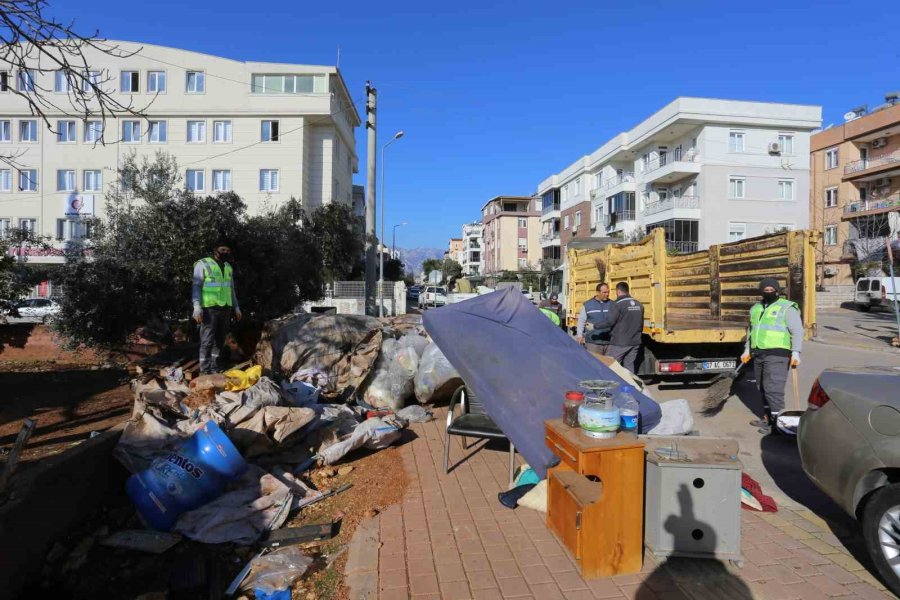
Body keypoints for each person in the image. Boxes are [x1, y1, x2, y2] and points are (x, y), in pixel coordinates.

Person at [741, 277, 802, 434]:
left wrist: (796, 351)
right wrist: (747, 349)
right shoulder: (756, 308)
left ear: (778, 291)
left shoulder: (787, 308)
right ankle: (767, 418)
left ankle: (777, 426)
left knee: (773, 390)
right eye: (765, 290)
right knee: (761, 388)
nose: (768, 292)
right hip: (758, 353)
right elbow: (751, 331)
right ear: (761, 291)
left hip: (778, 354)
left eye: (771, 290)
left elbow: (797, 331)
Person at [192, 240, 242, 374]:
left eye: (228, 250)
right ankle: (204, 370)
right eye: (223, 249)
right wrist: (197, 307)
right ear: (215, 249)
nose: (226, 252)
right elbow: (196, 286)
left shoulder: (228, 267)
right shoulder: (203, 264)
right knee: (207, 341)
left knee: (219, 340)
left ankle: (215, 367)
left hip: (226, 308)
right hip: (209, 308)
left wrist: (236, 307)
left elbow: (231, 289)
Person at [605, 282, 644, 373]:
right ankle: (630, 385)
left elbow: (610, 322)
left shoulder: (616, 304)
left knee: (611, 366)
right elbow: (640, 324)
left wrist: (595, 326)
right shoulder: (639, 304)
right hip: (635, 341)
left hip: (620, 342)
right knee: (629, 367)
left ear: (618, 291)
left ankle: (614, 386)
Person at [576, 283, 613, 354]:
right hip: (593, 342)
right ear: (598, 292)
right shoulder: (588, 305)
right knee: (594, 364)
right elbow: (581, 321)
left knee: (609, 365)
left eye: (608, 292)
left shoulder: (612, 304)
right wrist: (579, 335)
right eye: (604, 292)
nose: (607, 294)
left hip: (609, 342)